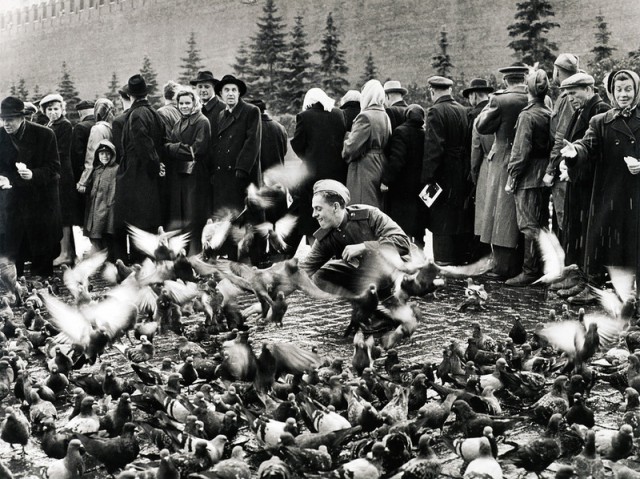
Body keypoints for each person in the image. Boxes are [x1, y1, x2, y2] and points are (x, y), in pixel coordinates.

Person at [560, 70, 640, 300]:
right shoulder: (601, 121)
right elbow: (587, 145)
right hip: (610, 191)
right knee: (603, 239)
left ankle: (633, 298)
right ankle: (595, 287)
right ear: (612, 92)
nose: (623, 95)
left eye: (628, 90)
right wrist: (575, 151)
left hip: (636, 193)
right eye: (618, 90)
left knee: (634, 243)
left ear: (636, 91)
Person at [300, 179, 410, 301]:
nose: (314, 214)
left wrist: (364, 247)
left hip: (398, 268)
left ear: (335, 207)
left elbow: (403, 242)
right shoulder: (326, 236)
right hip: (368, 275)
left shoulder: (369, 215)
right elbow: (305, 269)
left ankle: (396, 292)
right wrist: (278, 282)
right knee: (322, 275)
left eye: (318, 209)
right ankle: (363, 298)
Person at [554, 72, 610, 304]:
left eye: (574, 94)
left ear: (589, 89)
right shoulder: (581, 111)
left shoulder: (599, 110)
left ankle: (591, 283)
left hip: (590, 184)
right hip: (578, 181)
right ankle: (580, 278)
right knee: (577, 232)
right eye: (567, 95)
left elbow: (597, 153)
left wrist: (574, 168)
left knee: (590, 234)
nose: (570, 99)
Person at [476, 64, 529, 279]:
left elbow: (482, 126)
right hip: (529, 160)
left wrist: (490, 105)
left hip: (504, 158)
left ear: (505, 81)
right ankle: (525, 264)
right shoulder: (538, 97)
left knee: (501, 213)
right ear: (524, 79)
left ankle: (503, 266)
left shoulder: (500, 100)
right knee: (524, 213)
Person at [0, 96, 62, 276]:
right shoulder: (0, 136)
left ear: (22, 117)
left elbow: (55, 168)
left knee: (42, 247)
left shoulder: (44, 135)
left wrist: (34, 174)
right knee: (12, 246)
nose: (6, 124)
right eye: (3, 119)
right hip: (13, 200)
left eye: (10, 119)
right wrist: (2, 178)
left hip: (41, 200)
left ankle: (43, 285)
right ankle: (16, 284)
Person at [504, 69, 552, 286]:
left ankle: (530, 270)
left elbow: (520, 151)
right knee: (541, 222)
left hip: (528, 175)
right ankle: (542, 266)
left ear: (528, 90)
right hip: (544, 174)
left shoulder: (527, 115)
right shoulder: (548, 112)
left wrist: (512, 176)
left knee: (528, 225)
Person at [113, 74, 167, 262]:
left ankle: (140, 265)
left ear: (130, 95)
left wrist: (153, 167)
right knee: (148, 223)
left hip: (136, 176)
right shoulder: (154, 113)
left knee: (137, 223)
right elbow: (161, 143)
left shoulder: (135, 115)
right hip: (148, 176)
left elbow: (144, 146)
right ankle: (146, 264)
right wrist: (158, 166)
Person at [421, 75, 473, 265]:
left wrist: (428, 177)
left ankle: (443, 259)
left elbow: (434, 149)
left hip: (443, 173)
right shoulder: (463, 110)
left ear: (432, 91)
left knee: (441, 215)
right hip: (462, 171)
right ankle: (461, 257)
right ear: (450, 90)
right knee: (460, 213)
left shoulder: (435, 111)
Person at [290, 88, 347, 243]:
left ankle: (314, 250)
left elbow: (297, 144)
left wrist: (308, 157)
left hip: (313, 175)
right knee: (333, 211)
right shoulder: (339, 114)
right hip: (337, 174)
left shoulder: (304, 116)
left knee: (313, 214)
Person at [164, 88, 211, 247]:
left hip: (195, 176)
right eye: (181, 103)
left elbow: (197, 149)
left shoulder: (202, 121)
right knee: (181, 216)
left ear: (194, 103)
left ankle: (196, 254)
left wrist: (172, 148)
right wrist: (176, 147)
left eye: (187, 103)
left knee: (193, 217)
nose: (184, 106)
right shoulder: (179, 122)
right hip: (180, 175)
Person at [544, 53, 580, 240]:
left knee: (564, 215)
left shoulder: (566, 97)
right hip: (568, 161)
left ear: (557, 71)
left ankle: (569, 264)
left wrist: (550, 170)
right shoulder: (569, 95)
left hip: (563, 164)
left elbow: (561, 138)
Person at [343, 79, 391, 209]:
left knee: (361, 206)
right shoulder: (384, 115)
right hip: (380, 163)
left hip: (364, 167)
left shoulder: (364, 116)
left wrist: (346, 138)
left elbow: (351, 148)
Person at [382, 104, 426, 244]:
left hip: (402, 186)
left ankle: (404, 254)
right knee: (418, 223)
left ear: (407, 116)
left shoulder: (400, 132)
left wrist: (386, 180)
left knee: (402, 224)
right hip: (420, 185)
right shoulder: (424, 133)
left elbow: (397, 160)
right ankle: (420, 253)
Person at [40, 93, 76, 266]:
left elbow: (60, 151)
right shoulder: (50, 125)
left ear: (62, 109)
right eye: (50, 109)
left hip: (62, 175)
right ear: (45, 111)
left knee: (64, 215)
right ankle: (65, 252)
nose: (53, 112)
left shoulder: (65, 125)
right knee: (57, 213)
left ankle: (66, 253)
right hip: (54, 173)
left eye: (56, 109)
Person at [464, 79, 494, 257]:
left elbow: (474, 150)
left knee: (482, 215)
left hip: (484, 166)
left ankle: (482, 256)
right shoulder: (498, 111)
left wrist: (473, 174)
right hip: (502, 165)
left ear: (474, 95)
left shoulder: (475, 115)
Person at [84, 140, 118, 259]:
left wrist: (110, 204)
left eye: (108, 153)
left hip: (107, 208)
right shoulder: (96, 170)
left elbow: (113, 189)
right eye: (102, 153)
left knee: (107, 233)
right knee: (94, 234)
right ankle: (99, 257)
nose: (105, 156)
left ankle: (109, 259)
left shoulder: (115, 170)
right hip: (95, 207)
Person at [78, 98, 115, 193]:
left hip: (99, 175)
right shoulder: (113, 127)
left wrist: (83, 181)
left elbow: (91, 156)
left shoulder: (97, 129)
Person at [69, 99, 95, 223]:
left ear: (80, 114)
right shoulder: (104, 124)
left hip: (84, 177)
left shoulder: (80, 127)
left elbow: (76, 156)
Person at [249, 99, 288, 172]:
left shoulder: (249, 129)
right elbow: (284, 151)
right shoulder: (280, 128)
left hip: (257, 176)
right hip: (278, 175)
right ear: (264, 110)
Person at [111, 84, 133, 163]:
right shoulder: (150, 115)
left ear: (121, 99)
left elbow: (119, 152)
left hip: (128, 168)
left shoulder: (118, 122)